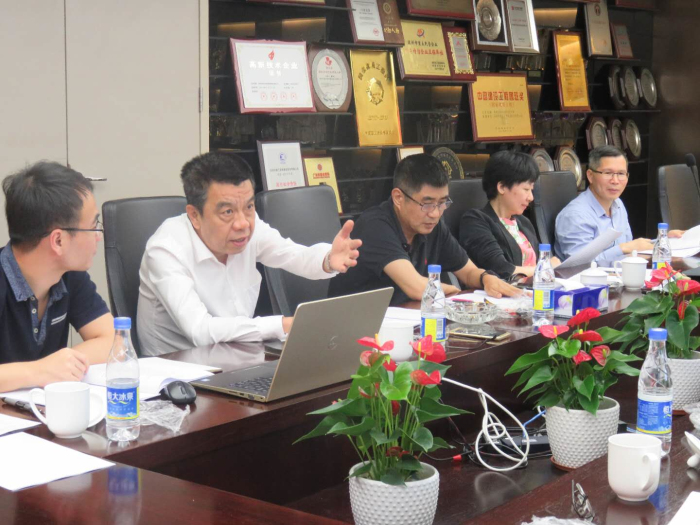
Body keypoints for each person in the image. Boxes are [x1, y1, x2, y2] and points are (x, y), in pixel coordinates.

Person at [137, 152, 361, 355]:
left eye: (249, 207)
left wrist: (328, 260)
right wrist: (283, 325)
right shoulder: (166, 249)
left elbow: (293, 255)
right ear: (194, 215)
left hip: (238, 356)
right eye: (227, 212)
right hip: (177, 372)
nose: (242, 223)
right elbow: (200, 331)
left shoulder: (250, 228)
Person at [328, 154, 521, 306]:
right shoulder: (375, 226)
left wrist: (485, 278)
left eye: (443, 203)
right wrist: (455, 292)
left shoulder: (433, 226)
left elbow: (468, 271)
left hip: (408, 319)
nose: (435, 213)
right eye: (427, 204)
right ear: (398, 198)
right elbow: (417, 288)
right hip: (357, 325)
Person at [0, 162, 114, 392]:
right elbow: (46, 370)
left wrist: (62, 364)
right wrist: (40, 370)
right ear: (58, 240)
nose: (99, 236)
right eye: (93, 226)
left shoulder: (68, 275)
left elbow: (113, 341)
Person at [554, 145, 683, 266]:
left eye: (621, 174)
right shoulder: (575, 215)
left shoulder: (618, 204)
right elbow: (579, 265)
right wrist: (623, 248)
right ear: (590, 176)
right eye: (607, 173)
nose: (615, 181)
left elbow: (629, 252)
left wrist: (662, 242)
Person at [460, 151, 561, 281]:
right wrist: (546, 268)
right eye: (526, 189)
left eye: (531, 190)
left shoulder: (524, 222)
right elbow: (501, 270)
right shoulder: (475, 221)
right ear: (502, 187)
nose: (531, 197)